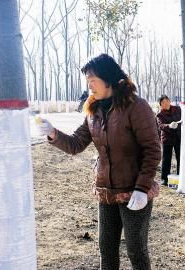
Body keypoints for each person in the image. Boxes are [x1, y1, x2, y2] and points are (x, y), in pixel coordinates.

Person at [36, 54, 161, 270]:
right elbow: (76, 143)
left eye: (92, 80)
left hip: (134, 191)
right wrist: (53, 133)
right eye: (87, 81)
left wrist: (142, 188)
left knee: (135, 249)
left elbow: (153, 150)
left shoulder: (135, 107)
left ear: (107, 78)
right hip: (106, 191)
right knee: (106, 247)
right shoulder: (93, 111)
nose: (89, 86)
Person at [156, 95, 181, 186]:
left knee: (180, 157)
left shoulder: (178, 109)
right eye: (163, 103)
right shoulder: (160, 114)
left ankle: (180, 176)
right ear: (160, 105)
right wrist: (169, 125)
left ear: (170, 101)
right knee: (166, 159)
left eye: (167, 101)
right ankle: (164, 179)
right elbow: (161, 125)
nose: (166, 104)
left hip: (179, 137)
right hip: (167, 138)